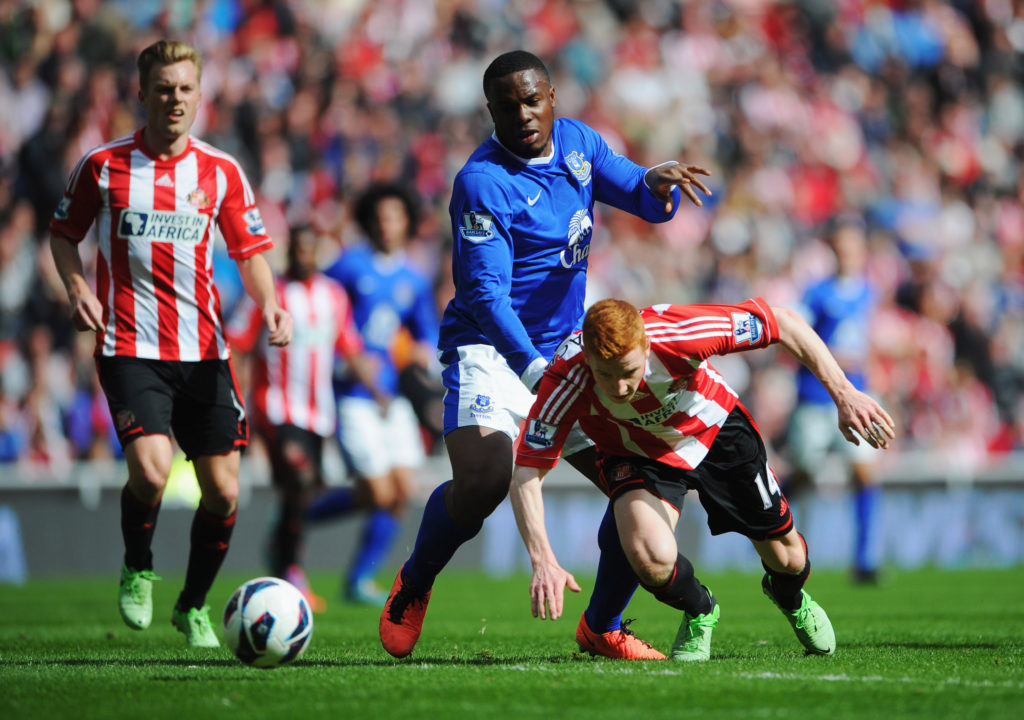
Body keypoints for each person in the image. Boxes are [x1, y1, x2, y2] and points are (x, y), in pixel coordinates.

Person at [379, 50, 712, 660]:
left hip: (564, 353)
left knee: (633, 483)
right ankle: (415, 582)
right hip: (491, 350)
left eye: (533, 101)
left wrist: (658, 183)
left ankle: (603, 623)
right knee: (484, 480)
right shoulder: (483, 182)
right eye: (508, 107)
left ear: (553, 96)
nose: (524, 115)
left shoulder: (580, 144)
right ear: (491, 111)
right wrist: (535, 370)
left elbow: (639, 193)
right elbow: (485, 295)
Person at [48, 40, 293, 647]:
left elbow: (251, 252)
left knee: (226, 489)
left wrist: (270, 303)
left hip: (204, 352)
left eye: (184, 88)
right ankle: (138, 566)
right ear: (142, 93)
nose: (174, 99)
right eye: (163, 88)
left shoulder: (221, 170)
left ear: (199, 94)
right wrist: (77, 286)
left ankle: (193, 605)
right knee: (153, 472)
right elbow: (62, 234)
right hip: (130, 345)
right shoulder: (104, 166)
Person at [510, 298, 895, 660]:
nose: (619, 388)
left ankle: (790, 597)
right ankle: (700, 609)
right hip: (638, 456)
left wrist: (844, 393)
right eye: (605, 375)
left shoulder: (680, 332)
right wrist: (542, 558)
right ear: (588, 359)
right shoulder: (565, 377)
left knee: (789, 560)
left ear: (645, 347)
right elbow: (527, 469)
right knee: (649, 558)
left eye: (628, 372)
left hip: (714, 430)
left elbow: (784, 323)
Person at [226, 223, 384, 613]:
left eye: (310, 250)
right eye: (298, 249)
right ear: (289, 252)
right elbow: (238, 344)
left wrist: (380, 392)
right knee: (297, 480)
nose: (303, 256)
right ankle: (291, 569)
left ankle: (281, 555)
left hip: (319, 413)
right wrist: (234, 394)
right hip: (277, 406)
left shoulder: (333, 296)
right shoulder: (269, 295)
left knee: (304, 492)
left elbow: (348, 346)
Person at [307, 182, 440, 605]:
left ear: (406, 223)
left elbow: (425, 330)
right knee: (380, 493)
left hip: (391, 395)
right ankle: (295, 518)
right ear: (369, 221)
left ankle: (359, 580)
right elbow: (316, 308)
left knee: (401, 490)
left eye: (395, 217)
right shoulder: (347, 266)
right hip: (351, 394)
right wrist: (344, 355)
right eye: (380, 218)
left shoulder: (412, 277)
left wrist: (422, 349)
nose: (387, 225)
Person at [785, 213, 883, 583]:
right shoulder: (816, 293)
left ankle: (865, 559)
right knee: (806, 473)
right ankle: (768, 534)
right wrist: (834, 357)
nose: (848, 255)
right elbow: (797, 342)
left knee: (865, 472)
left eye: (853, 248)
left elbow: (868, 342)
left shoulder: (868, 292)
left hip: (855, 397)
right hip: (815, 398)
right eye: (841, 248)